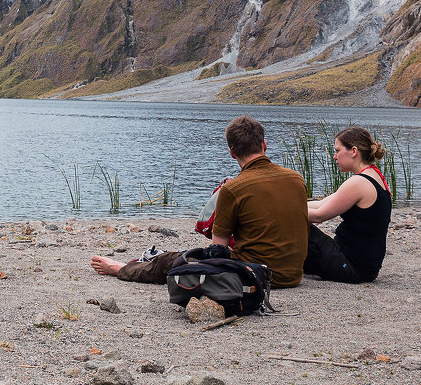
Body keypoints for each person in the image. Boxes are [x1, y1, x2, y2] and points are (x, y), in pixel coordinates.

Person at [91, 115, 309, 288]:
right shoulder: (296, 178)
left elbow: (218, 249)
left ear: (232, 153)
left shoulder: (232, 189)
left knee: (172, 261)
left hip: (256, 275)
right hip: (293, 276)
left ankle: (121, 269)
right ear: (264, 145)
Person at [304, 127, 391, 283]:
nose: (334, 156)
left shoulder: (358, 183)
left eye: (338, 150)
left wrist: (283, 213)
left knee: (298, 226)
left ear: (353, 151)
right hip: (364, 267)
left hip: (351, 267)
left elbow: (319, 216)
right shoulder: (372, 175)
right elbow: (322, 203)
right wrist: (290, 205)